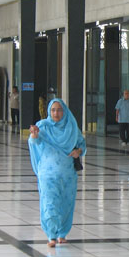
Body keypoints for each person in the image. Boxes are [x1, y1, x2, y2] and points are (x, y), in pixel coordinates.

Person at [28, 99, 86, 248]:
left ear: (64, 111)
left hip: (67, 175)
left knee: (66, 204)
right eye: (53, 110)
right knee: (50, 203)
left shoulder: (71, 128)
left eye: (59, 110)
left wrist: (78, 151)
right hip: (48, 174)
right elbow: (34, 142)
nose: (56, 113)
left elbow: (82, 144)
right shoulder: (43, 126)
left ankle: (62, 233)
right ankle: (51, 235)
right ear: (49, 111)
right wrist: (34, 135)